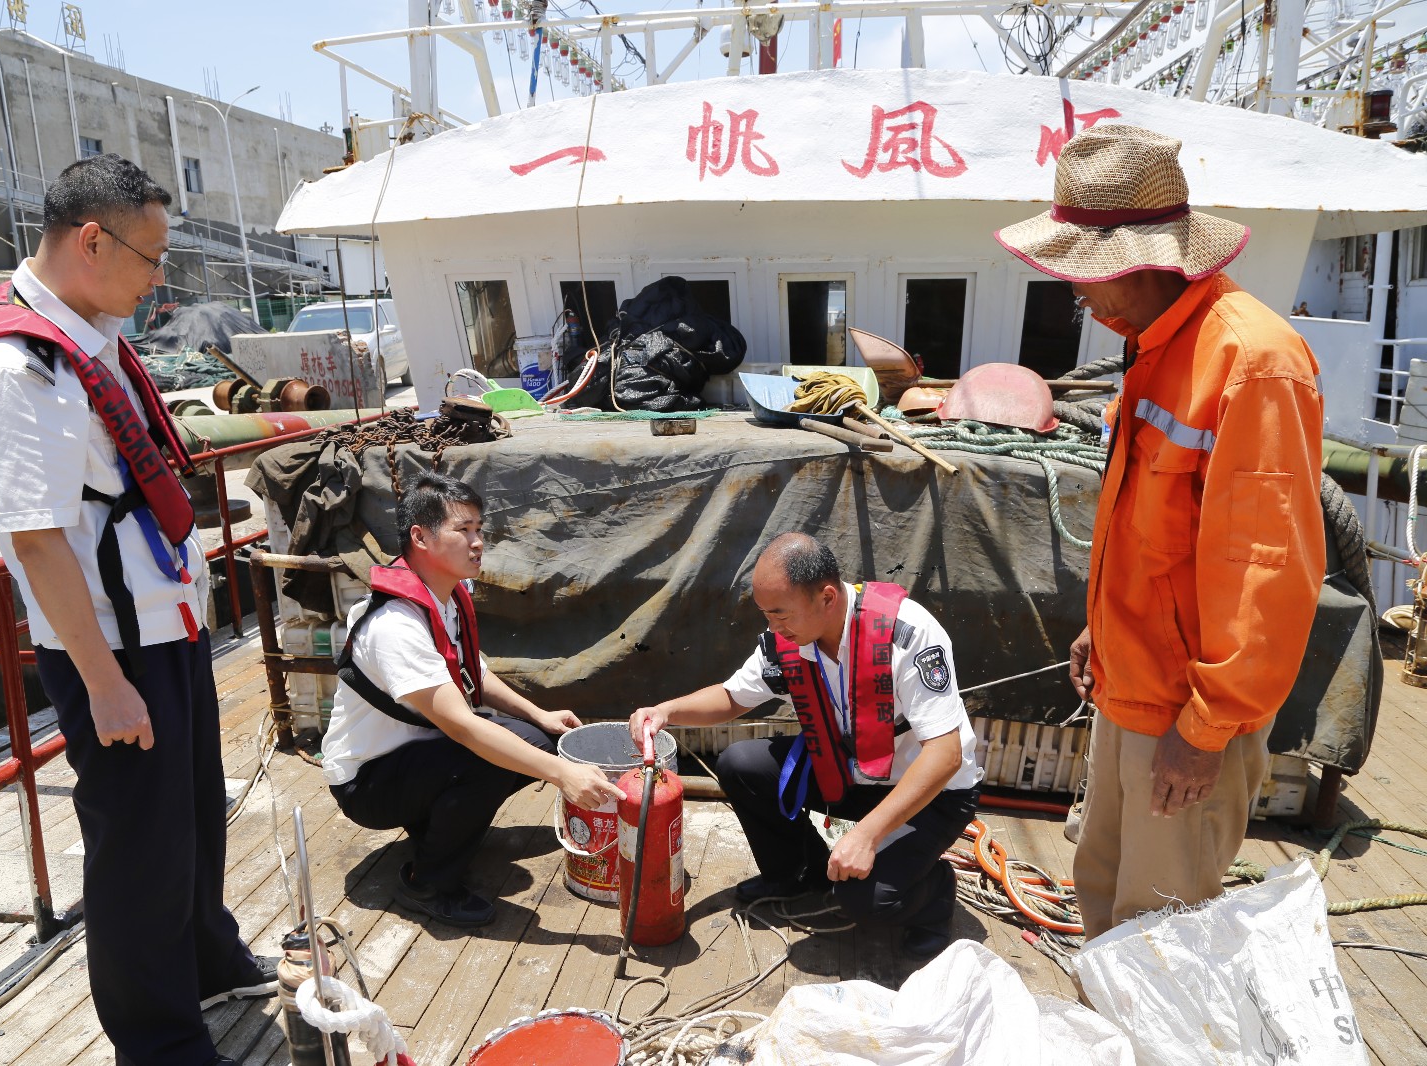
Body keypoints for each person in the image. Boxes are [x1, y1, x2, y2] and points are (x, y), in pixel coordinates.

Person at [0, 155, 270, 1066]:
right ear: (93, 240)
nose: (160, 279)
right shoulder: (14, 367)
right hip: (113, 649)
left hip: (169, 620)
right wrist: (106, 683)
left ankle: (208, 961)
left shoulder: (89, 328)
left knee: (192, 818)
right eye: (152, 258)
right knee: (135, 854)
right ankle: (158, 1043)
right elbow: (37, 541)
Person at [995, 125, 1325, 940]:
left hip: (1182, 715)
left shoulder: (1252, 362)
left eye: (1081, 275)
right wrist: (1100, 630)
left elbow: (1267, 573)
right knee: (1105, 893)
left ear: (1141, 263)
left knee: (1162, 929)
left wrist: (1204, 730)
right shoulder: (1155, 348)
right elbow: (1157, 536)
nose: (1076, 295)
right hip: (1130, 689)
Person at [628, 533, 982, 960]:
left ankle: (935, 894)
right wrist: (666, 710)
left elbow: (945, 754)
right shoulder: (788, 639)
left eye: (781, 615)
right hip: (851, 769)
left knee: (866, 901)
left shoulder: (908, 634)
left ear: (827, 597)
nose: (773, 629)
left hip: (930, 790)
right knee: (741, 763)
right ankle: (798, 874)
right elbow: (732, 696)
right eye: (766, 616)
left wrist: (868, 835)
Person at [323, 474, 624, 928]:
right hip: (367, 782)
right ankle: (426, 882)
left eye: (479, 529)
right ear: (420, 538)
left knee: (535, 737)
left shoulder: (446, 596)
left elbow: (473, 672)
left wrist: (540, 714)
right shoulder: (397, 625)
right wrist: (565, 776)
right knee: (485, 757)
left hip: (413, 754)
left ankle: (436, 825)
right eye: (462, 530)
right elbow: (463, 727)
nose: (478, 542)